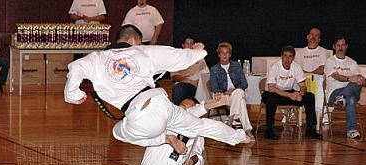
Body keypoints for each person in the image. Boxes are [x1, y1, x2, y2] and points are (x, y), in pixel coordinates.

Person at [64, 25, 250, 156]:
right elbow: (177, 57)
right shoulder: (144, 51)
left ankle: (165, 138)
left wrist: (73, 94)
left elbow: (75, 67)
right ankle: (239, 137)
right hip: (161, 102)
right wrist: (198, 51)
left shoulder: (95, 58)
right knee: (198, 126)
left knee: (118, 132)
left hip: (140, 115)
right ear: (132, 40)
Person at [130, 98, 230, 165]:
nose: (185, 112)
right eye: (183, 108)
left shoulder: (197, 136)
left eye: (189, 109)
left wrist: (191, 160)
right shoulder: (166, 123)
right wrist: (207, 106)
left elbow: (197, 156)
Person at [262, 46, 323, 141]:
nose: (287, 59)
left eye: (290, 56)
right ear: (281, 56)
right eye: (285, 56)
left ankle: (310, 130)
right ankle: (269, 130)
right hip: (274, 92)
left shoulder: (296, 67)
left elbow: (303, 86)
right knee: (271, 98)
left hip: (289, 92)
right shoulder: (274, 67)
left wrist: (300, 94)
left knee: (310, 96)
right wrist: (290, 95)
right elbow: (271, 88)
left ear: (293, 58)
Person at [210, 42, 255, 141]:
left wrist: (234, 89)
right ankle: (247, 130)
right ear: (219, 55)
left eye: (227, 53)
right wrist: (225, 92)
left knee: (238, 92)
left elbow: (244, 84)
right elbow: (214, 88)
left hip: (238, 92)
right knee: (241, 102)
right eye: (222, 53)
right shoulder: (214, 69)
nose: (224, 55)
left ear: (230, 54)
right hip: (224, 96)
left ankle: (230, 121)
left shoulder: (236, 66)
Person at [324, 36, 366, 139]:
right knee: (351, 100)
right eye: (338, 45)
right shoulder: (330, 61)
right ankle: (352, 129)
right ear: (334, 47)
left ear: (346, 46)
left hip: (348, 93)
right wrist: (349, 78)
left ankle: (342, 98)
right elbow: (336, 76)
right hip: (334, 95)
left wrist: (363, 80)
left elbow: (361, 79)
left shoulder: (352, 62)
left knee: (355, 85)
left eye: (342, 45)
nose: (340, 47)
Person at [294, 27, 330, 124]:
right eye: (312, 34)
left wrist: (309, 73)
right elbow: (297, 69)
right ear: (307, 37)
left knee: (319, 82)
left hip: (317, 79)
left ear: (319, 39)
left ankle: (317, 114)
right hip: (302, 79)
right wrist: (306, 75)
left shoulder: (323, 52)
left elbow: (323, 68)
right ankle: (291, 113)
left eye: (316, 35)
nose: (313, 37)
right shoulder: (300, 53)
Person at [170, 35, 209, 105]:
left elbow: (206, 74)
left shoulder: (198, 57)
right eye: (187, 44)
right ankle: (177, 112)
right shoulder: (178, 59)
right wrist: (185, 80)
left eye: (191, 44)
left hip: (198, 87)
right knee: (179, 88)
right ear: (183, 45)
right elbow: (174, 76)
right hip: (184, 84)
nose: (190, 46)